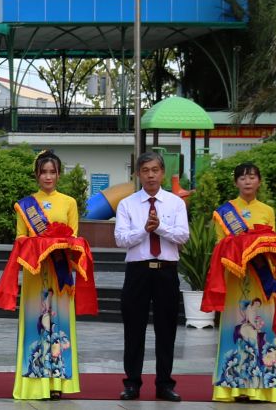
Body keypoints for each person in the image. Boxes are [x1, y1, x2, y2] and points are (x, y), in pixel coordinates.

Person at [210, 162, 276, 402]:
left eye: (252, 177)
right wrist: (241, 250)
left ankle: (263, 388)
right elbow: (220, 246)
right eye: (243, 178)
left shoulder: (267, 210)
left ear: (259, 181)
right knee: (235, 328)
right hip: (235, 278)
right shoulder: (224, 212)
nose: (247, 181)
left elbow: (272, 244)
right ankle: (233, 388)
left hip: (261, 279)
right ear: (236, 182)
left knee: (263, 328)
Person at [9, 150, 88, 401]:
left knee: (59, 323)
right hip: (35, 272)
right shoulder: (25, 205)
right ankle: (36, 383)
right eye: (43, 172)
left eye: (52, 172)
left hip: (59, 271)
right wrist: (40, 245)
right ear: (36, 175)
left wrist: (57, 243)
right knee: (36, 322)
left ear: (59, 174)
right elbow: (20, 239)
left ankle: (57, 382)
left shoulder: (69, 202)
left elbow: (73, 237)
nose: (48, 176)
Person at [115, 151, 189, 402]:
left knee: (166, 329)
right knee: (134, 329)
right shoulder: (127, 204)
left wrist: (160, 228)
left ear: (163, 173)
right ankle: (132, 383)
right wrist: (144, 230)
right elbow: (120, 239)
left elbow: (183, 235)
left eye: (155, 170)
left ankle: (164, 384)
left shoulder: (175, 203)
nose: (150, 175)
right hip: (138, 272)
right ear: (138, 174)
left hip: (166, 271)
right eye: (145, 170)